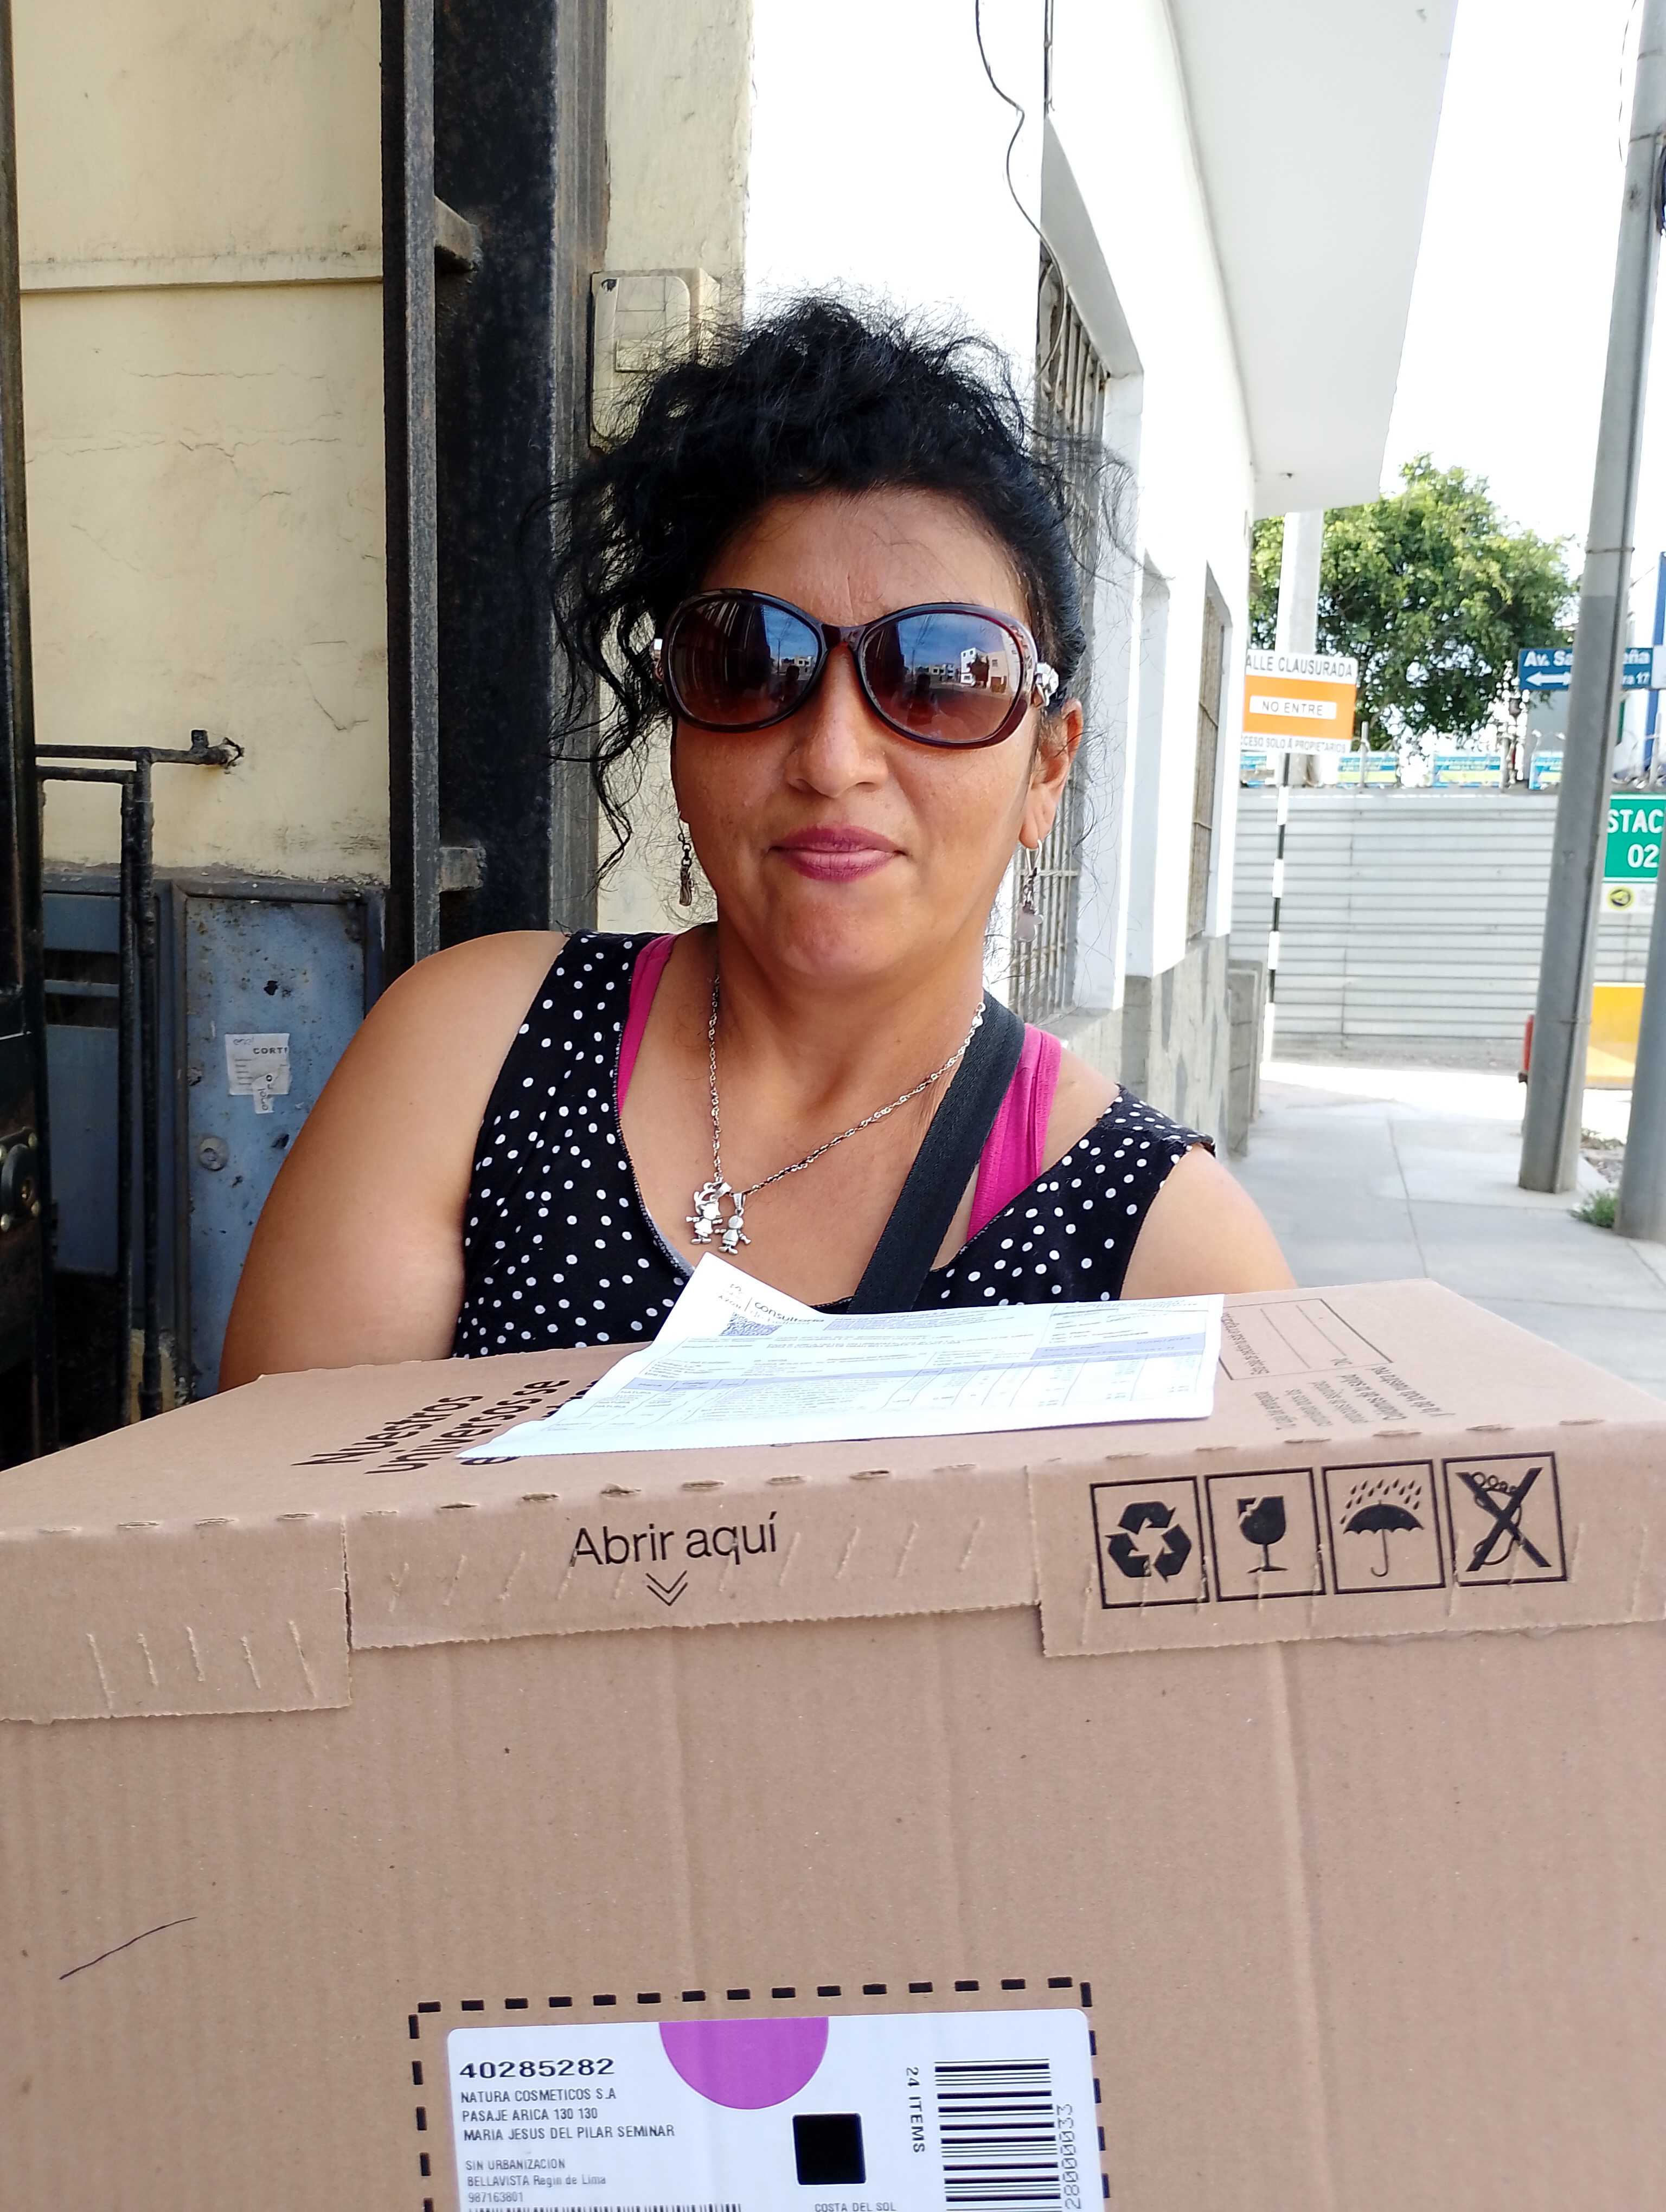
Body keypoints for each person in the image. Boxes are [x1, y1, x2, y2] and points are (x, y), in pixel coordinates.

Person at [221, 299, 1289, 1386]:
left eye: (940, 677)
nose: (833, 757)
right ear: (679, 722)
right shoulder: (468, 1058)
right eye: (750, 664)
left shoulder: (1174, 1260)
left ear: (1047, 765)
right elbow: (281, 1489)